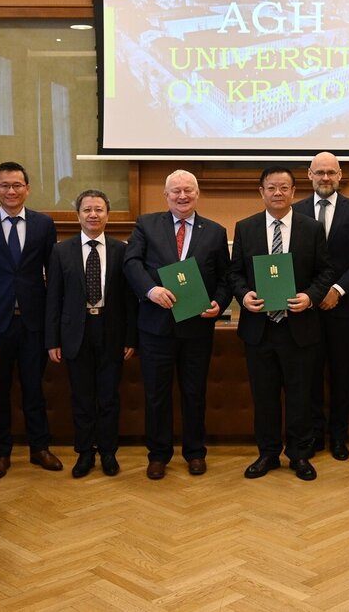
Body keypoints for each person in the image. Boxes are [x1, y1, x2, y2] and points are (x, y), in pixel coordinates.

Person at [122, 169, 231, 480]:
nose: (182, 196)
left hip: (197, 328)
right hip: (156, 328)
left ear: (197, 194)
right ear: (165, 195)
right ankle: (158, 455)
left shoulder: (215, 231)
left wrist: (219, 303)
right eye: (176, 191)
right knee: (156, 394)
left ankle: (195, 452)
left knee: (194, 393)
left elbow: (224, 277)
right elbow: (131, 263)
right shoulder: (146, 224)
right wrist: (151, 290)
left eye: (188, 191)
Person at [228, 166, 334, 481]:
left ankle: (300, 456)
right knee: (264, 395)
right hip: (259, 329)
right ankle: (268, 454)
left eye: (284, 188)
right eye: (271, 187)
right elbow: (233, 274)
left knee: (301, 395)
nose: (278, 193)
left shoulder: (311, 228)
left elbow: (326, 272)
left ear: (293, 192)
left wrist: (311, 297)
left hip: (298, 327)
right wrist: (244, 295)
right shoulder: (245, 228)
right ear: (261, 192)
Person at [0, 161, 61, 478]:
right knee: (0, 390)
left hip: (33, 321)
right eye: (4, 185)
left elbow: (54, 277)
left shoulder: (43, 224)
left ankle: (39, 448)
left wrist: (53, 324)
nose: (11, 190)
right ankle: (2, 451)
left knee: (35, 388)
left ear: (27, 188)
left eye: (17, 185)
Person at [46, 190, 136, 479]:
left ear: (108, 215)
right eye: (87, 210)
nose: (93, 214)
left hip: (111, 332)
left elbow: (130, 300)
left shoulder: (122, 250)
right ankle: (84, 453)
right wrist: (52, 340)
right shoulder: (61, 251)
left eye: (99, 209)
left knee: (109, 397)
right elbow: (54, 299)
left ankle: (108, 453)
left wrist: (130, 338)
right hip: (75, 333)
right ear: (78, 215)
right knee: (82, 397)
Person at [292, 152, 349, 461]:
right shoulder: (295, 211)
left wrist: (338, 290)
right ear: (309, 176)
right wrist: (312, 295)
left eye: (331, 173)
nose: (325, 178)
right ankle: (313, 436)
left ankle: (339, 436)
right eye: (319, 172)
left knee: (341, 375)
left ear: (340, 176)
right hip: (305, 308)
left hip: (342, 306)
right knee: (309, 375)